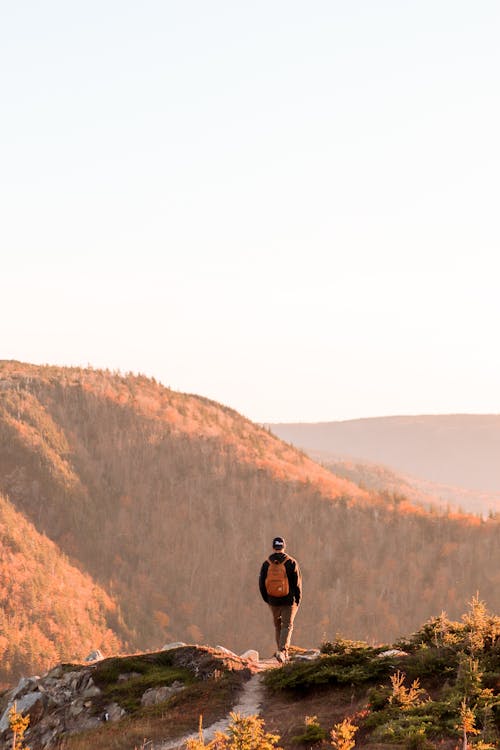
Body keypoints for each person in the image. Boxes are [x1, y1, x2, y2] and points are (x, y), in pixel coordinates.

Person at [259, 536, 302, 663]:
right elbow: (297, 584)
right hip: (288, 601)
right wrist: (297, 600)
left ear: (273, 547)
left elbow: (261, 583)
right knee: (287, 625)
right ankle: (283, 651)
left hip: (273, 600)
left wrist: (267, 599)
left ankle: (280, 651)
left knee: (278, 626)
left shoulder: (266, 564)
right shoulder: (291, 562)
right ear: (284, 546)